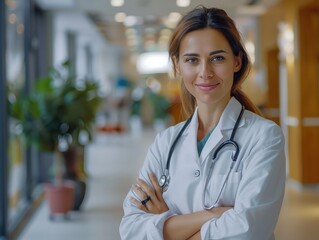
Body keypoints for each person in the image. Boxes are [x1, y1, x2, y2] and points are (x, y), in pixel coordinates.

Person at [119, 5, 286, 240]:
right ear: (178, 65)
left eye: (217, 58)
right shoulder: (165, 143)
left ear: (236, 61)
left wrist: (166, 222)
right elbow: (131, 229)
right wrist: (212, 215)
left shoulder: (264, 136)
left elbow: (248, 231)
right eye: (192, 60)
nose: (205, 72)